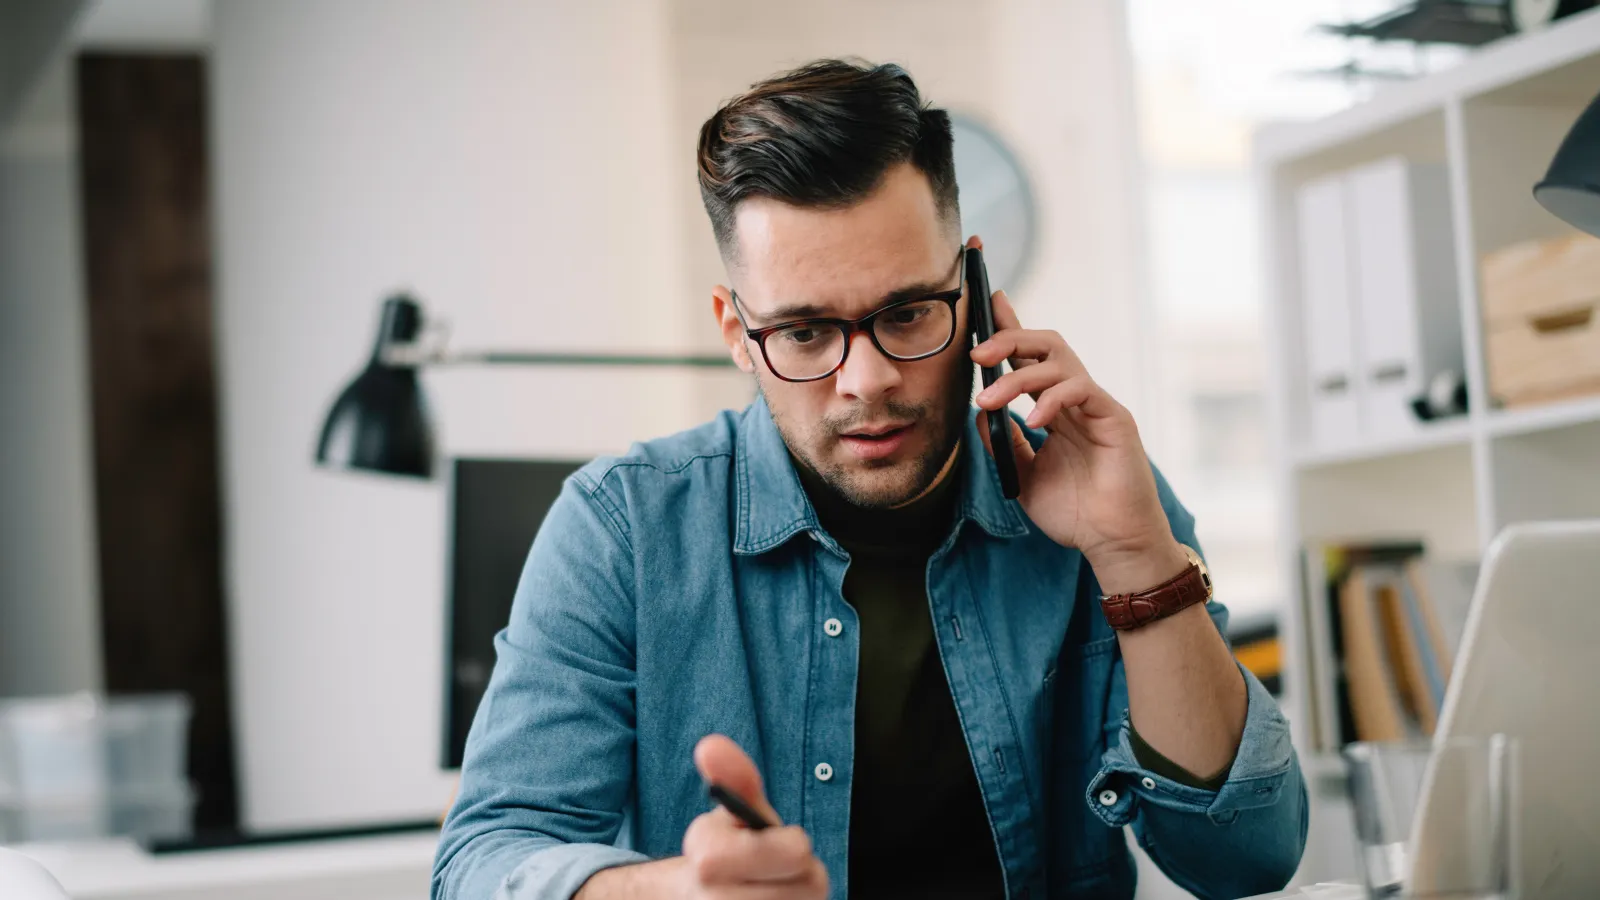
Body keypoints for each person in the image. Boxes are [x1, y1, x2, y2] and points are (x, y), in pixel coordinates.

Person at [432, 59, 1306, 900]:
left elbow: (1246, 860)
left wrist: (1137, 559)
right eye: (805, 333)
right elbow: (479, 862)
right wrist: (672, 891)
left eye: (907, 312)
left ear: (971, 286)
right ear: (736, 331)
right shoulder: (621, 530)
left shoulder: (1102, 490)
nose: (868, 381)